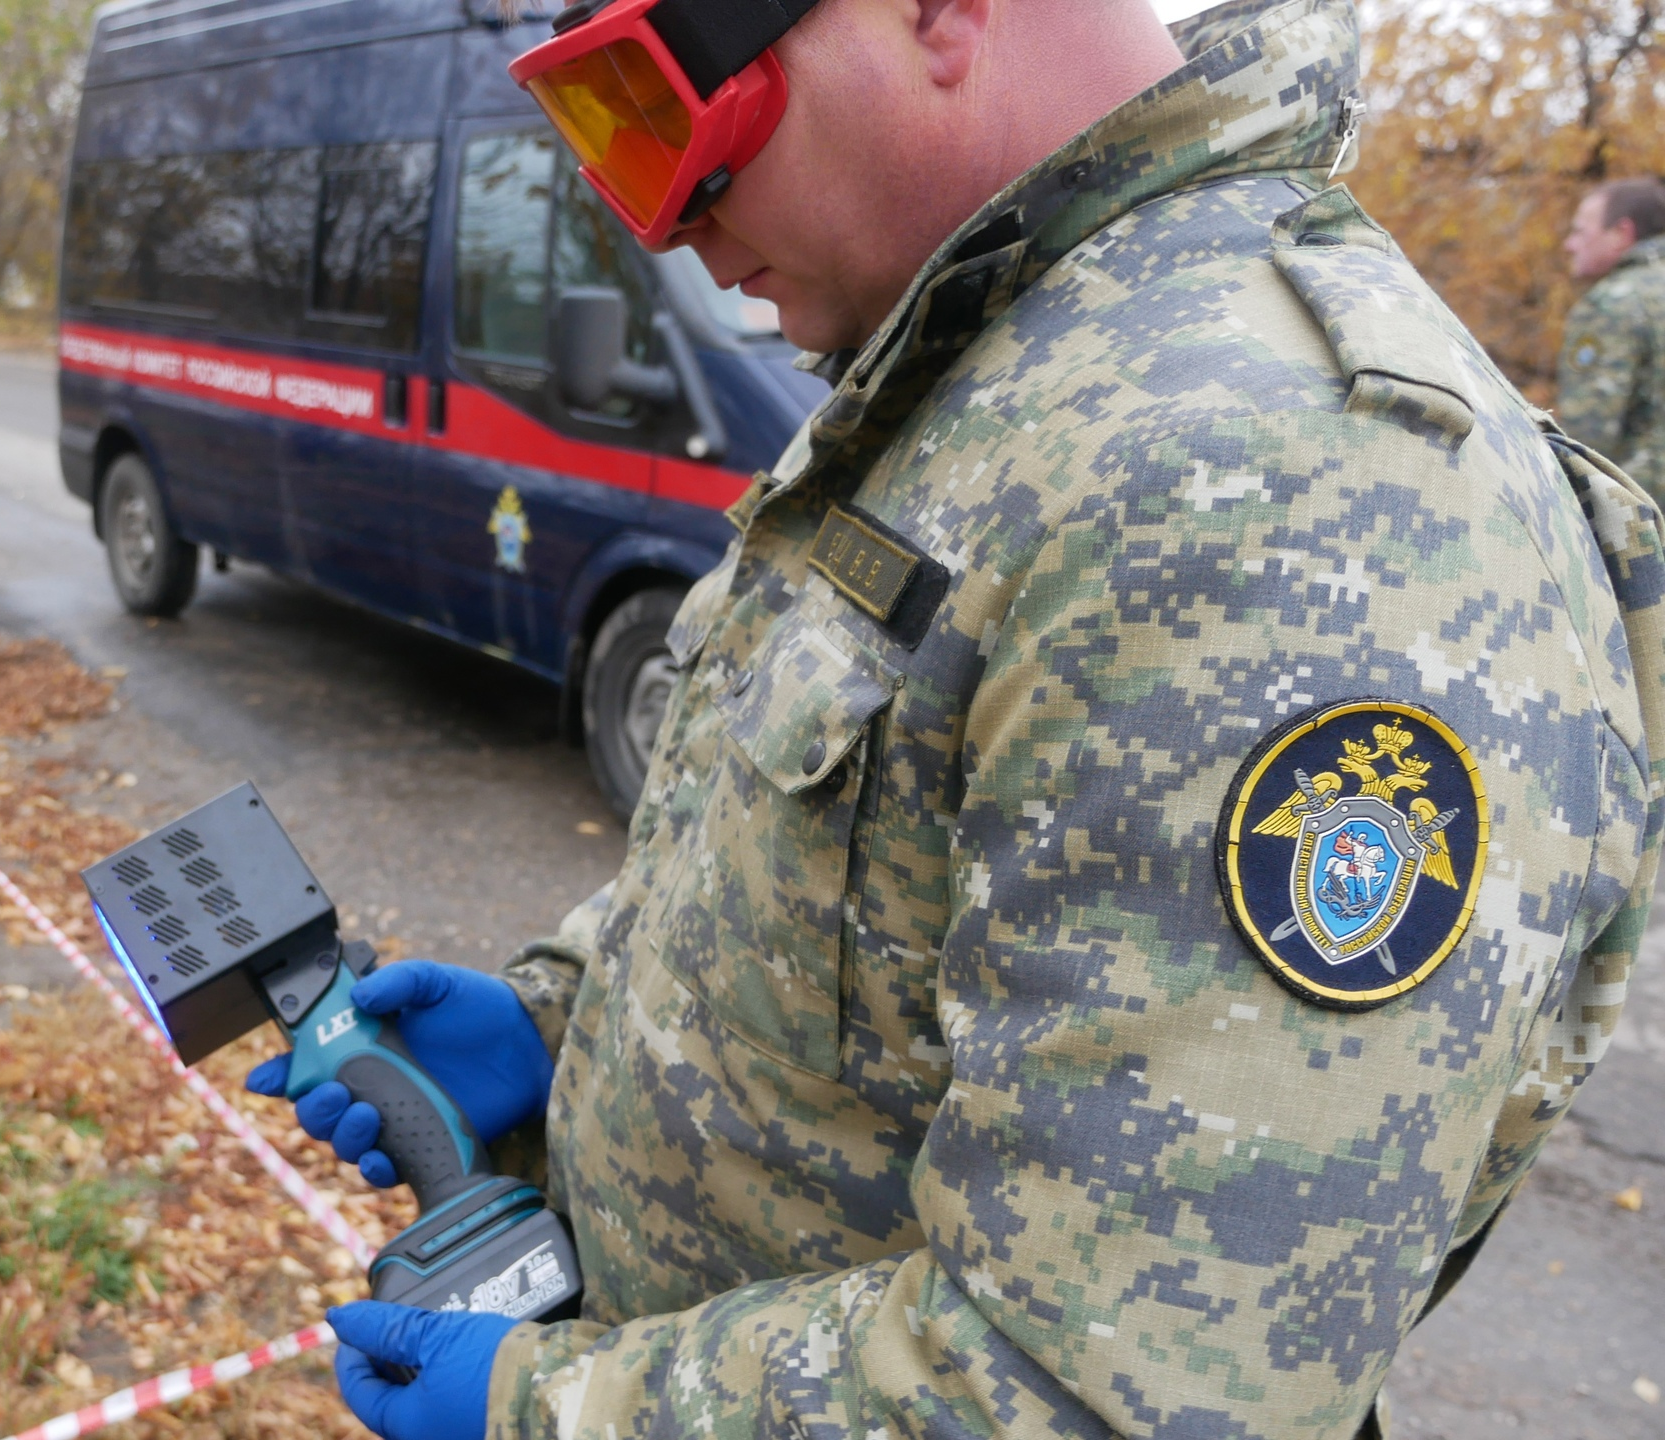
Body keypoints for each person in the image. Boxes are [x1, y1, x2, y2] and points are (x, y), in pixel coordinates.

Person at [249, 1, 1665, 1437]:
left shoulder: (1283, 486)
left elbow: (1108, 1389)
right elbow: (851, 860)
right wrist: (563, 1023)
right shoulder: (999, 348)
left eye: (694, 127)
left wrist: (545, 1413)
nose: (670, 228)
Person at [1559, 176, 1665, 507]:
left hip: (1646, 526)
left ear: (1621, 233)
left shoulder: (1613, 304)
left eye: (1580, 231)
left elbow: (1586, 443)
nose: (1569, 244)